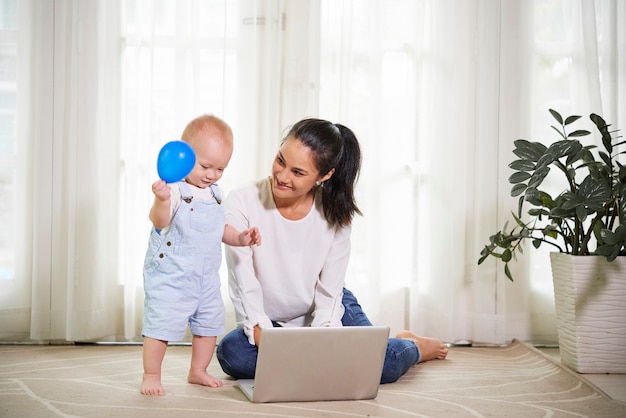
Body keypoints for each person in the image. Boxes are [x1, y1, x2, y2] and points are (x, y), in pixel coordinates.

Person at [216, 118, 447, 384]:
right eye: (281, 160)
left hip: (327, 307)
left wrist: (321, 344)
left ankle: (412, 346)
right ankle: (336, 367)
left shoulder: (335, 212)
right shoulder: (242, 200)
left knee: (381, 366)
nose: (282, 176)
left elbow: (330, 292)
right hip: (271, 320)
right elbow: (244, 287)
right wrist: (269, 340)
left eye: (298, 172)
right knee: (232, 354)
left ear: (324, 176)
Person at [141, 115, 262, 396]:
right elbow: (159, 222)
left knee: (208, 326)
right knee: (161, 325)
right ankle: (151, 374)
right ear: (185, 155)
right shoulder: (173, 190)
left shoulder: (216, 195)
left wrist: (241, 238)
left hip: (205, 278)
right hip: (171, 275)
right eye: (205, 166)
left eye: (220, 168)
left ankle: (198, 370)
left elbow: (221, 230)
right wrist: (160, 200)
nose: (212, 174)